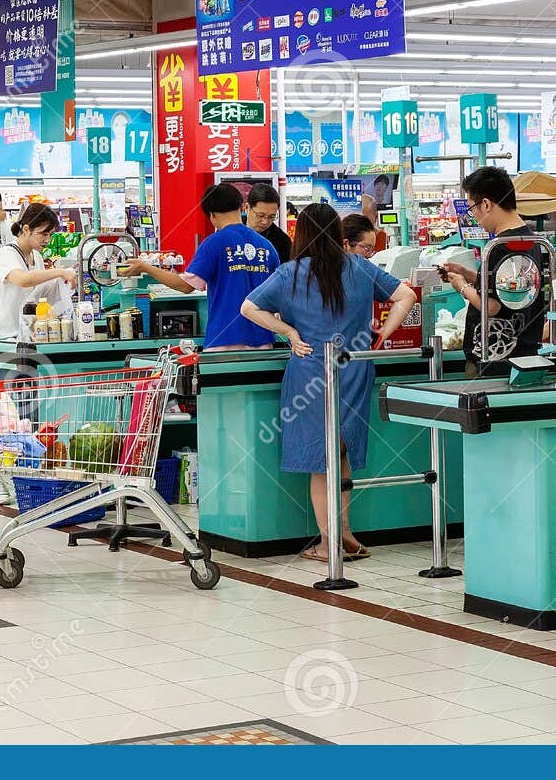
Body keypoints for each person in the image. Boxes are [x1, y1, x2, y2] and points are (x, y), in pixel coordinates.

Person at [240, 203, 417, 563]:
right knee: (341, 452)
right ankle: (346, 530)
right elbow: (407, 295)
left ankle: (328, 541)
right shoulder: (358, 266)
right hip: (354, 368)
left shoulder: (289, 273)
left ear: (299, 234)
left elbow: (248, 308)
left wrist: (290, 332)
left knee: (322, 462)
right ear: (337, 234)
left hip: (310, 369)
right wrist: (383, 332)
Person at [0, 202, 78, 501]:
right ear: (25, 228)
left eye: (51, 234)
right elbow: (22, 281)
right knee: (0, 417)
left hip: (28, 344)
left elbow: (35, 297)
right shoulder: (6, 254)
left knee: (26, 417)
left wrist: (58, 284)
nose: (47, 239)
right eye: (43, 233)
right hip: (3, 344)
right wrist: (58, 271)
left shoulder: (35, 256)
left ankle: (24, 474)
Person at [125, 183, 277, 350]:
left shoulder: (214, 243)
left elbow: (185, 286)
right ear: (241, 207)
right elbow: (279, 292)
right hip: (263, 339)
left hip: (224, 340)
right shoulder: (266, 246)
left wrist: (145, 267)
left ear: (211, 215)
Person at [445, 166, 551, 375]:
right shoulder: (531, 240)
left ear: (486, 204)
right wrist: (468, 273)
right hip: (525, 352)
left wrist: (462, 286)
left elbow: (491, 306)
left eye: (472, 208)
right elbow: (508, 287)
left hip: (495, 357)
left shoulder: (499, 246)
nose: (474, 216)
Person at [246, 183, 291, 262]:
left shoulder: (282, 241)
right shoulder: (231, 233)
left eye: (271, 217)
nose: (265, 222)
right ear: (247, 208)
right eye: (260, 215)